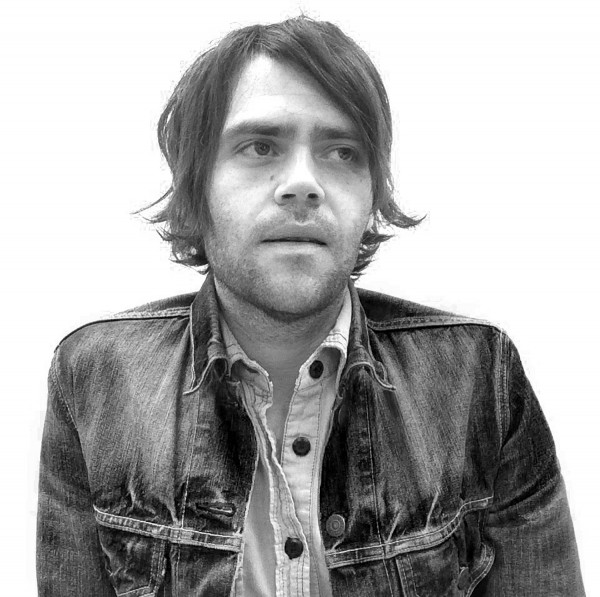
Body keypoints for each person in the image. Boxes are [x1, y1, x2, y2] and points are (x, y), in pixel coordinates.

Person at [36, 15, 585, 597]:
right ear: (196, 188)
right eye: (259, 147)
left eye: (342, 152)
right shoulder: (97, 377)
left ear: (372, 196)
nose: (303, 182)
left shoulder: (477, 374)